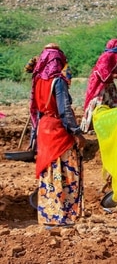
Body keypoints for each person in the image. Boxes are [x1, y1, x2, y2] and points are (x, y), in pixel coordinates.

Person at [29, 43, 87, 226]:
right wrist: (77, 133)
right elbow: (64, 111)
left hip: (44, 129)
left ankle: (49, 215)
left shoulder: (38, 80)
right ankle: (65, 215)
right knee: (66, 171)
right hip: (58, 131)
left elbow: (35, 109)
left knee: (50, 171)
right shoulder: (58, 81)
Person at [80, 38, 117, 133]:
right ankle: (91, 127)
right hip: (100, 85)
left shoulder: (113, 57)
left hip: (108, 84)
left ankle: (110, 125)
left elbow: (113, 70)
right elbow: (102, 73)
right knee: (97, 104)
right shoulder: (106, 57)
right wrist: (115, 75)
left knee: (112, 103)